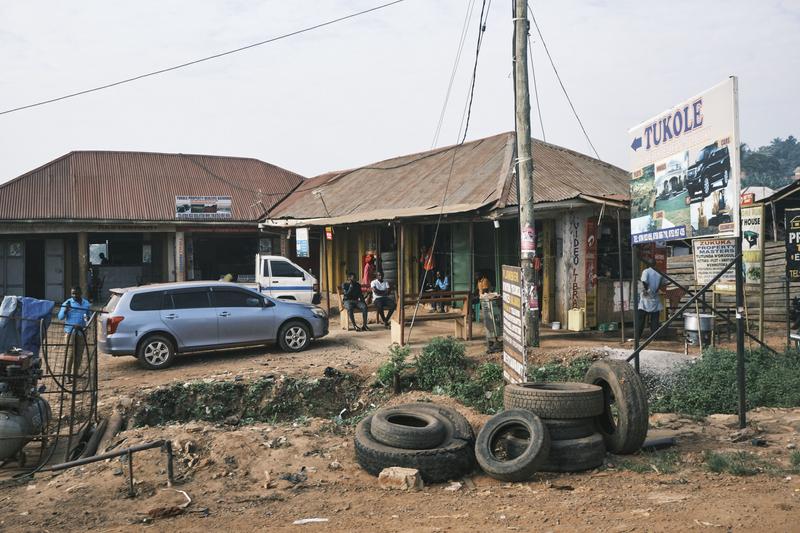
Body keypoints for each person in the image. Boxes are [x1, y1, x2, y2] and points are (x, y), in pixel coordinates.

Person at [58, 286, 91, 377]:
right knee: (70, 355)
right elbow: (60, 317)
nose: (75, 295)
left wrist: (88, 318)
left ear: (81, 293)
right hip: (70, 332)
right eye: (73, 293)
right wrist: (65, 310)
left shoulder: (86, 304)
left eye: (76, 293)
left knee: (79, 355)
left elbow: (89, 317)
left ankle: (75, 374)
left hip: (82, 332)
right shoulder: (67, 303)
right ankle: (67, 375)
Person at [638, 259, 664, 338]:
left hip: (646, 296)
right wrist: (656, 289)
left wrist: (646, 290)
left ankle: (638, 335)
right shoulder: (659, 273)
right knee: (655, 319)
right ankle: (654, 336)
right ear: (655, 264)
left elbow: (644, 281)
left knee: (641, 318)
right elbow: (663, 282)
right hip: (655, 296)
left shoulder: (646, 271)